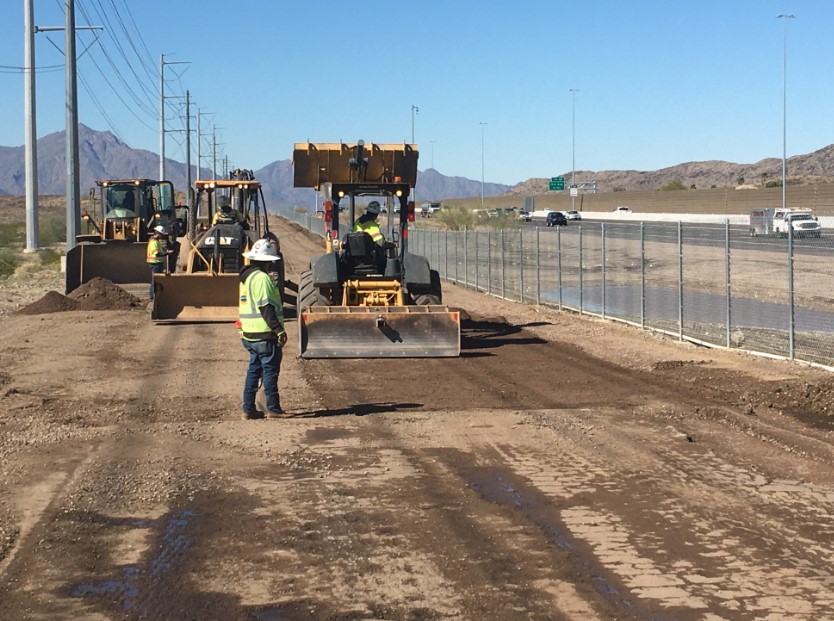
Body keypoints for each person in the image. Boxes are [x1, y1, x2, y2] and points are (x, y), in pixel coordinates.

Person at [238, 238, 287, 420]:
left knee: (253, 372)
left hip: (249, 334)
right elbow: (266, 307)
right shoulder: (262, 279)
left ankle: (248, 409)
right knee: (270, 372)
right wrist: (279, 330)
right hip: (265, 334)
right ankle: (273, 409)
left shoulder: (246, 279)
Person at [146, 225, 172, 299]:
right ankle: (152, 296)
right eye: (160, 234)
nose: (162, 236)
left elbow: (159, 251)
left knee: (157, 279)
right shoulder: (154, 243)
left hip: (158, 263)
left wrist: (165, 251)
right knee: (154, 280)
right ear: (156, 233)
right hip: (155, 264)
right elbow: (157, 254)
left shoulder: (156, 242)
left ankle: (155, 295)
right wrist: (167, 253)